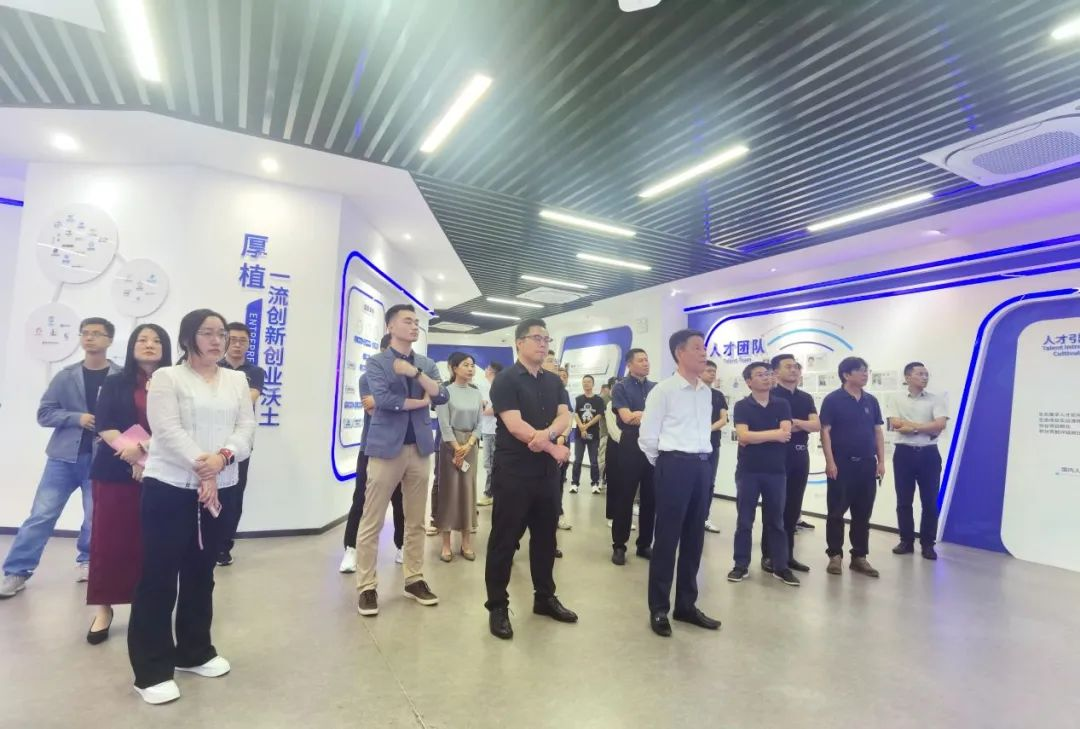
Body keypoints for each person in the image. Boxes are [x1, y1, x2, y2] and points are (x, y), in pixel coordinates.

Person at [127, 309, 256, 705]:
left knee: (201, 573)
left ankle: (194, 652)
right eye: (207, 333)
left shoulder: (236, 380)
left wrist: (223, 458)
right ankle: (151, 671)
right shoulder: (167, 378)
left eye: (222, 333)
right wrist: (205, 466)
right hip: (170, 488)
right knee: (159, 577)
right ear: (187, 339)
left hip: (221, 488)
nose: (217, 340)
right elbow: (167, 431)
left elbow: (246, 428)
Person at [0, 317, 119, 600]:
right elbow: (44, 413)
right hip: (62, 459)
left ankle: (87, 560)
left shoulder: (120, 377)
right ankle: (16, 572)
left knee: (95, 517)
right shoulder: (66, 376)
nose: (89, 337)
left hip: (102, 459)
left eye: (96, 333)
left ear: (109, 340)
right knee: (41, 515)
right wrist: (77, 418)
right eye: (85, 333)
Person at [485, 318, 576, 640]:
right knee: (504, 541)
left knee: (546, 539)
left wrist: (546, 436)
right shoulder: (506, 380)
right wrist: (552, 446)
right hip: (514, 473)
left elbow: (566, 415)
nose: (543, 344)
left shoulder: (553, 381)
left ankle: (544, 598)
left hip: (546, 475)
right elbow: (514, 426)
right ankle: (497, 606)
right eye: (537, 338)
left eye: (546, 339)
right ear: (519, 342)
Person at [355, 304, 448, 617]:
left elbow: (441, 396)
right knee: (372, 519)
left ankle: (414, 578)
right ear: (390, 327)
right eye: (408, 321)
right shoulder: (376, 362)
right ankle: (366, 586)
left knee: (415, 520)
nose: (414, 326)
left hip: (419, 448)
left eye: (417, 322)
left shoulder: (426, 364)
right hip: (385, 449)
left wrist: (415, 374)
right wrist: (420, 402)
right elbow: (384, 400)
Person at [85, 324, 171, 645]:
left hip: (163, 473)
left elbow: (177, 428)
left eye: (156, 340)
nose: (149, 344)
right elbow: (105, 425)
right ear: (132, 345)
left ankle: (145, 607)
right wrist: (134, 457)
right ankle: (104, 609)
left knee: (151, 544)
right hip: (114, 471)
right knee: (108, 542)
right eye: (142, 339)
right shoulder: (114, 381)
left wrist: (145, 454)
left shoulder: (175, 382)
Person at [638, 330, 721, 636]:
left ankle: (686, 605)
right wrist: (667, 465)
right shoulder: (663, 391)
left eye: (704, 348)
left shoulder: (706, 392)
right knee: (667, 539)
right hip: (673, 466)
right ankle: (659, 608)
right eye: (697, 348)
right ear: (679, 353)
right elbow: (648, 438)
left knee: (694, 539)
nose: (704, 353)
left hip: (702, 466)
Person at [727, 362, 800, 588]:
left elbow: (786, 434)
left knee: (776, 521)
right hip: (748, 471)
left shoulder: (782, 404)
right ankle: (740, 565)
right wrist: (774, 434)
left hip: (776, 471)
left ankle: (781, 566)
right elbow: (743, 436)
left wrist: (757, 436)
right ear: (749, 381)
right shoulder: (742, 405)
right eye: (760, 375)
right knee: (744, 521)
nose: (767, 377)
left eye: (769, 374)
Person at [340, 335, 405, 573]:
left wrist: (386, 402)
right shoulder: (367, 378)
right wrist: (401, 403)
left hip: (401, 448)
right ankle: (351, 548)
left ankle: (402, 545)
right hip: (372, 447)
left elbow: (410, 407)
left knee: (400, 501)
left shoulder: (409, 380)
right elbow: (373, 410)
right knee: (361, 499)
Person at [820, 356, 885, 578]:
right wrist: (830, 462)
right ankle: (835, 555)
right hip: (842, 465)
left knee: (863, 513)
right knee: (836, 512)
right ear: (846, 375)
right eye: (860, 370)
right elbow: (825, 431)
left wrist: (881, 461)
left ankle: (859, 557)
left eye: (867, 370)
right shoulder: (832, 400)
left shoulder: (871, 401)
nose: (865, 374)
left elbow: (877, 431)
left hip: (867, 464)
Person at [762, 354, 819, 572]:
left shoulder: (805, 397)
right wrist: (801, 425)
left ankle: (787, 556)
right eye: (788, 366)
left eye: (796, 366)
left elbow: (816, 425)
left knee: (793, 508)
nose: (794, 370)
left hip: (800, 455)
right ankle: (769, 555)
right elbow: (775, 428)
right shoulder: (771, 396)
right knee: (774, 507)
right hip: (777, 455)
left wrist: (795, 422)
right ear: (775, 372)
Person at [215, 322, 265, 567]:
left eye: (242, 341)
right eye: (232, 339)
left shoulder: (255, 372)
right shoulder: (213, 366)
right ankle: (207, 542)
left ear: (248, 344)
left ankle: (224, 547)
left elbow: (249, 398)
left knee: (234, 496)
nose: (237, 345)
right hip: (210, 440)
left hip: (241, 443)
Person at [886, 362, 948, 560]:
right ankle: (906, 541)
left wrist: (912, 428)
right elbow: (895, 424)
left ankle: (928, 544)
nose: (925, 377)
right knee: (904, 500)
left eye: (926, 374)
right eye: (920, 374)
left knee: (929, 502)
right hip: (903, 454)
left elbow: (940, 425)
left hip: (929, 454)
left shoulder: (936, 399)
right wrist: (927, 427)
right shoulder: (896, 398)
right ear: (907, 377)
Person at [435, 352, 483, 562]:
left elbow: (480, 423)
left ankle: (466, 542)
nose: (470, 369)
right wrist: (456, 447)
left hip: (470, 446)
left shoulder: (476, 393)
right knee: (449, 492)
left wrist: (469, 444)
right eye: (466, 365)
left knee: (468, 492)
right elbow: (444, 424)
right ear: (454, 368)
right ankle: (446, 544)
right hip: (450, 445)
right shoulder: (444, 393)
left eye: (472, 365)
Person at [610, 348, 655, 566]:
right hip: (631, 444)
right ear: (629, 364)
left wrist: (641, 415)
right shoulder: (621, 387)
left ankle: (644, 544)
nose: (646, 363)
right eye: (641, 360)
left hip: (653, 445)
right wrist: (648, 415)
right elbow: (627, 418)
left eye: (647, 359)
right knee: (625, 497)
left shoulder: (655, 388)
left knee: (651, 498)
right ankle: (619, 545)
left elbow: (664, 417)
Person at [700, 361, 728, 534]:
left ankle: (704, 518)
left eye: (714, 371)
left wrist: (707, 430)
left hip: (712, 444)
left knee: (709, 482)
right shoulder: (692, 392)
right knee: (693, 482)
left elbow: (724, 419)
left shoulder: (718, 395)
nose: (712, 373)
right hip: (693, 446)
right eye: (708, 370)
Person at [571, 375, 605, 495]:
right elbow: (575, 414)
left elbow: (599, 415)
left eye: (588, 382)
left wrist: (586, 426)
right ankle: (574, 483)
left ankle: (594, 484)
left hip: (593, 434)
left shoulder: (598, 400)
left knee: (594, 460)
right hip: (579, 434)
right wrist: (581, 427)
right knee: (577, 460)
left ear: (593, 384)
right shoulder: (578, 399)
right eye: (584, 382)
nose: (586, 384)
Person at [476, 361, 503, 507]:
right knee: (489, 464)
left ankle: (489, 493)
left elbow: (496, 409)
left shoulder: (498, 387)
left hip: (493, 431)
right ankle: (493, 492)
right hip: (487, 430)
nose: (485, 370)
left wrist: (479, 410)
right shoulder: (488, 387)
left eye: (487, 368)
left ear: (492, 371)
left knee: (491, 464)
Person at [598, 381, 612, 486]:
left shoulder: (617, 398)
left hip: (616, 435)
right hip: (605, 432)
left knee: (610, 459)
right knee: (603, 458)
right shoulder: (603, 398)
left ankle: (605, 478)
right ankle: (599, 479)